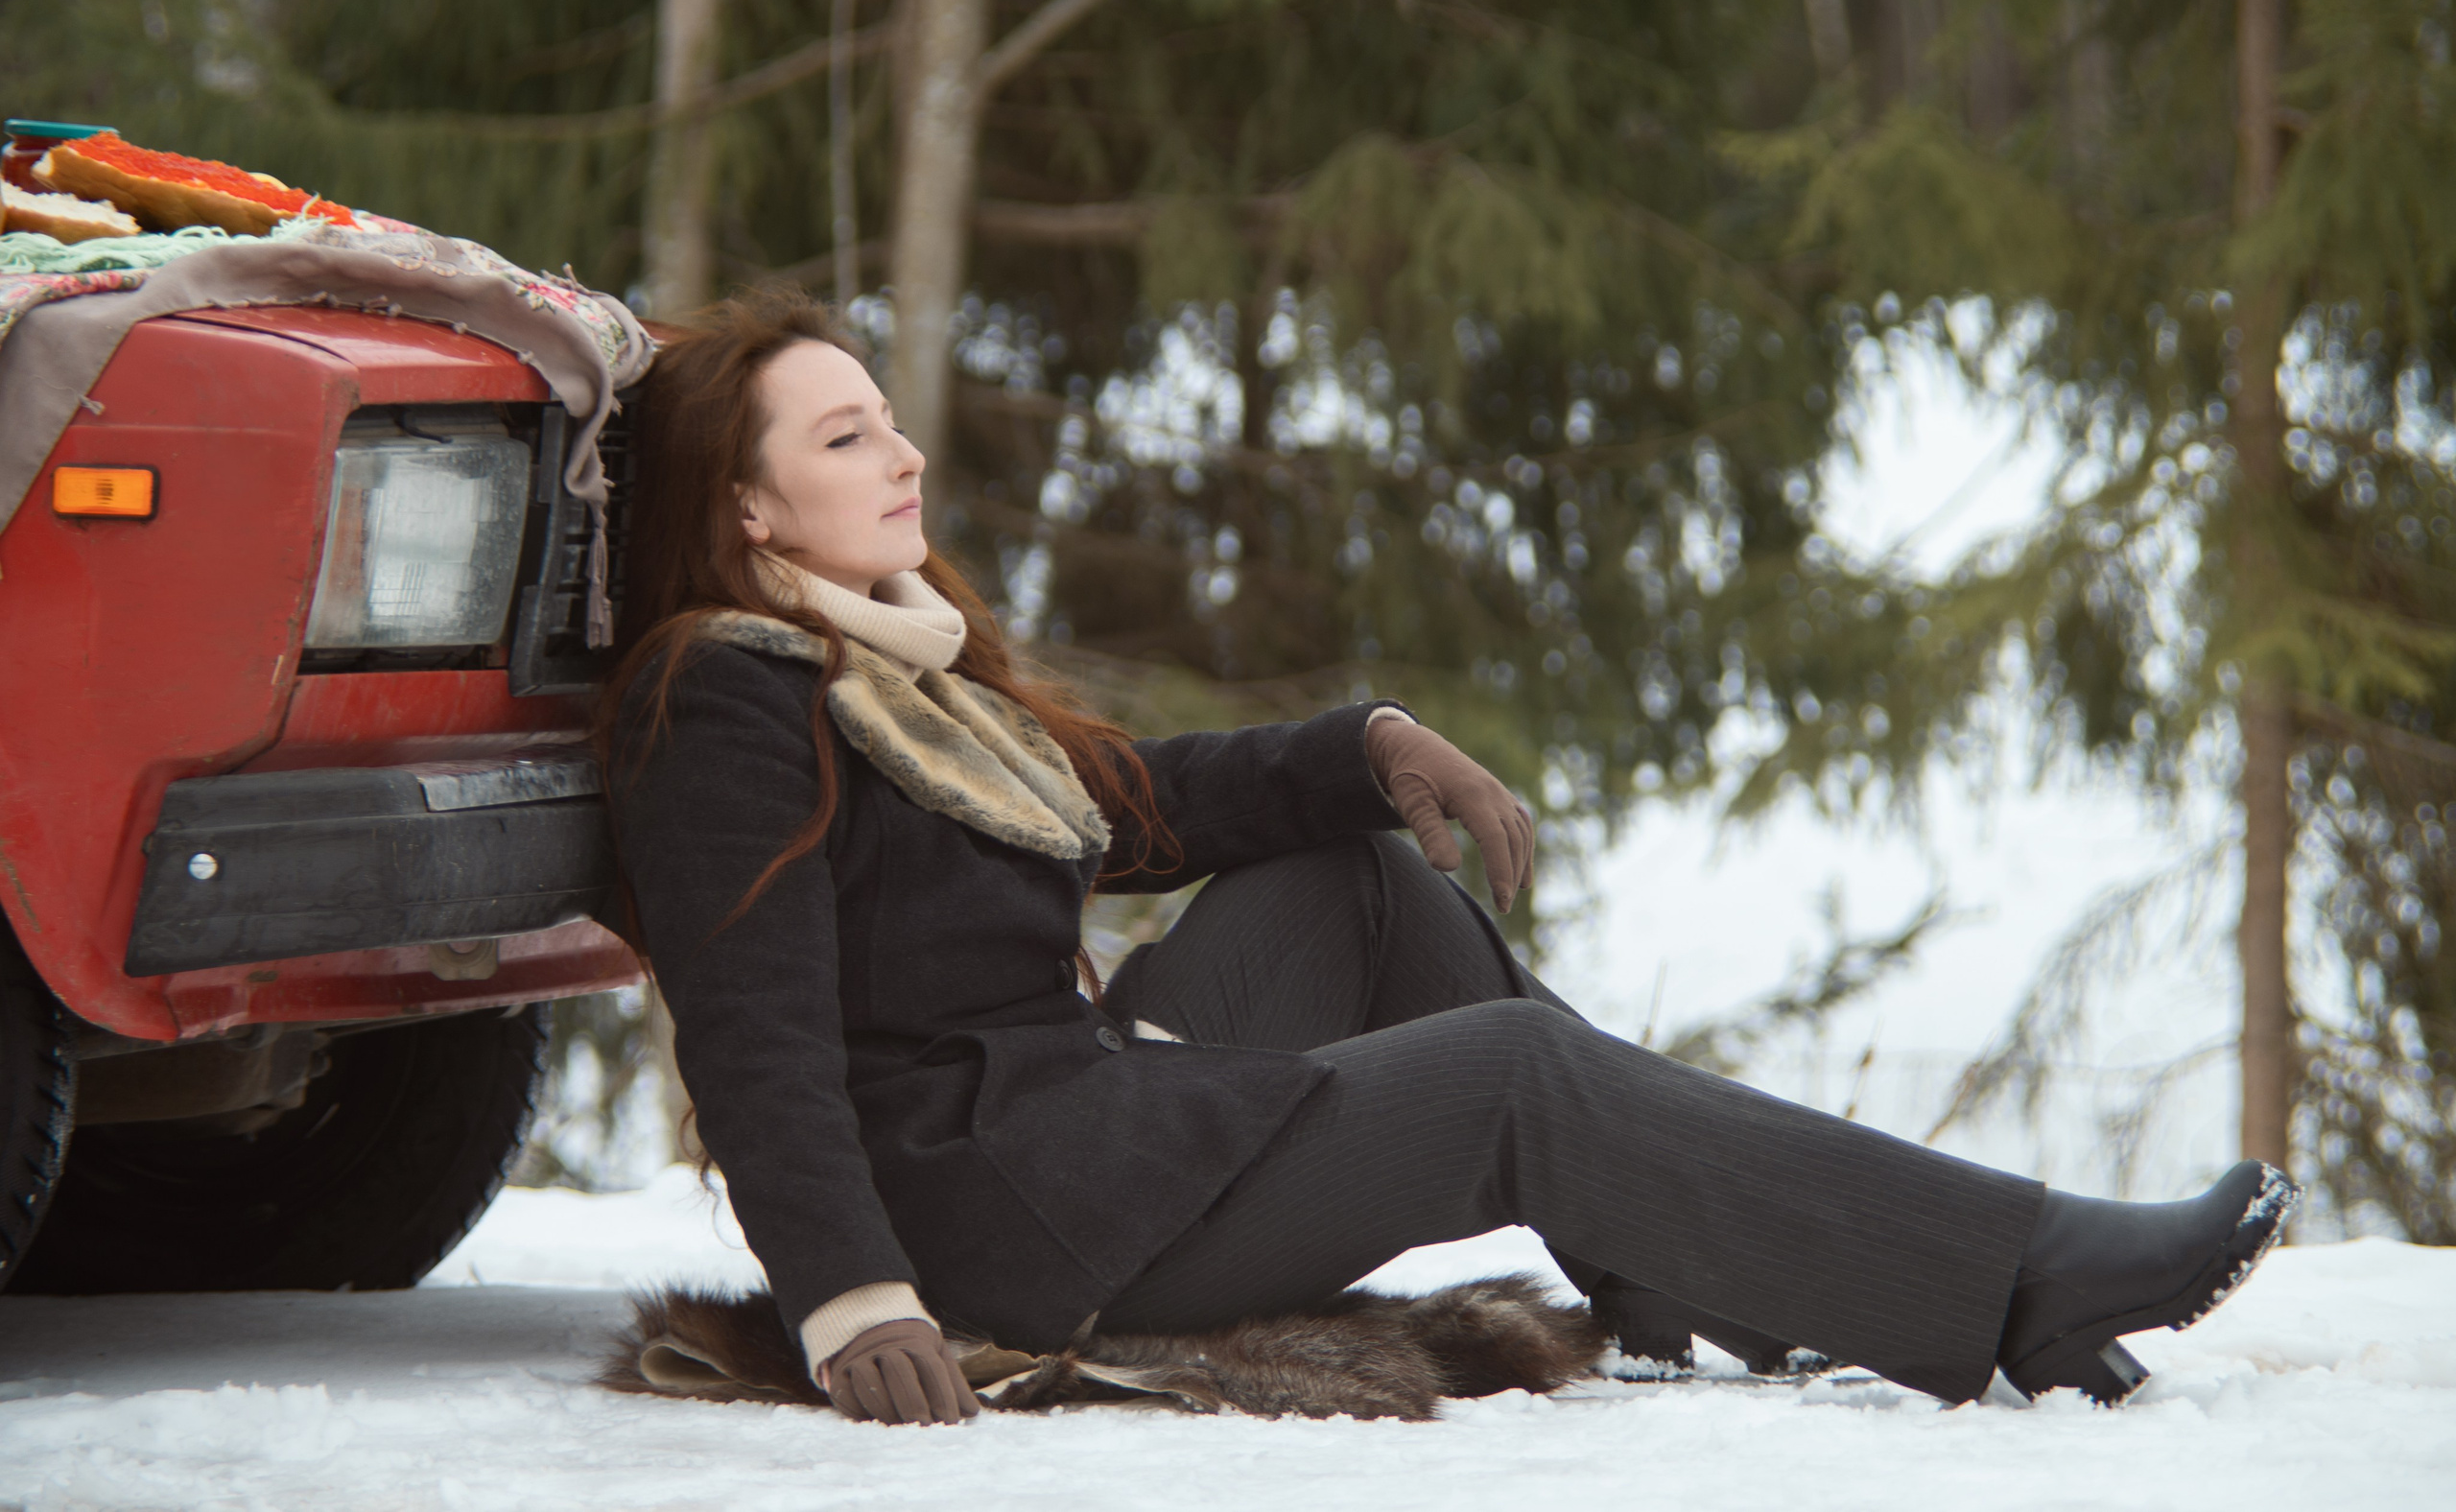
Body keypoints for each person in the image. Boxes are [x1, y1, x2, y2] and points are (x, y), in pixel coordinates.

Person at [600, 288, 2296, 1427]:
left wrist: (1365, 751)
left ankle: (1681, 1257)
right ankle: (2029, 1275)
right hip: (1012, 1219)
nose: (902, 457)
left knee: (1357, 882)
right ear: (748, 513)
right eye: (843, 442)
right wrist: (845, 1298)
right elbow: (755, 1036)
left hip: (1077, 1117)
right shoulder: (730, 702)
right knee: (1513, 1076)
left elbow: (1113, 803)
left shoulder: (899, 669)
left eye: (887, 421)